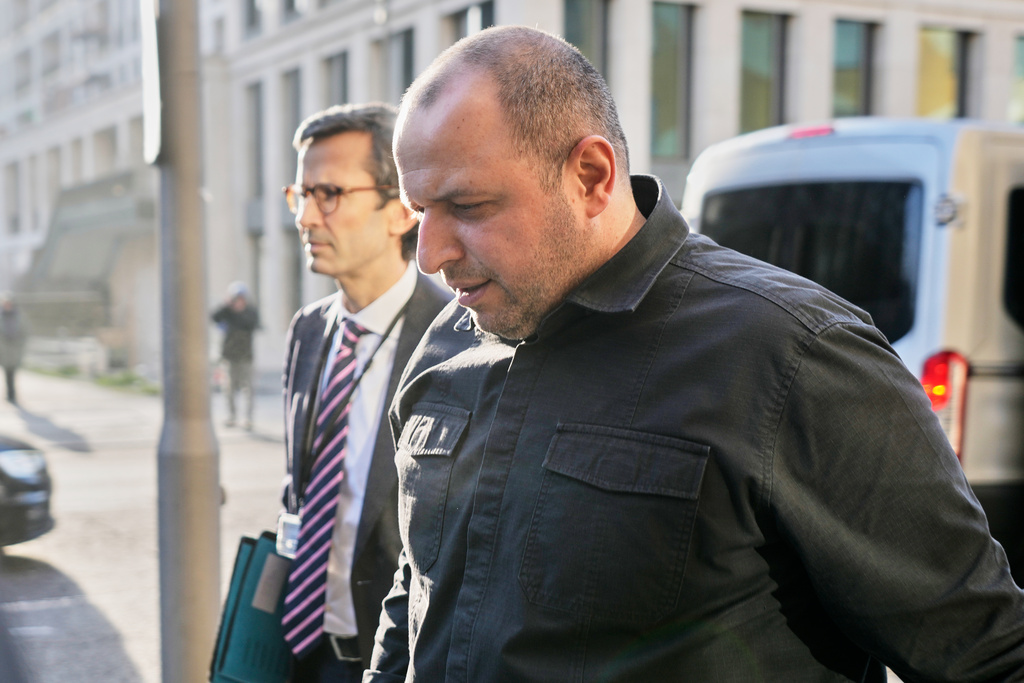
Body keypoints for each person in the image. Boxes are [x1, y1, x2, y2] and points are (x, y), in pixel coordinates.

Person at [366, 25, 1024, 682]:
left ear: (591, 175)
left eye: (467, 205)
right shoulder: (445, 343)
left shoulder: (793, 355)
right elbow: (420, 588)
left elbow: (987, 656)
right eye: (421, 209)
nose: (429, 253)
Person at [280, 102, 449, 683]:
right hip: (301, 645)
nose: (305, 217)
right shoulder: (307, 330)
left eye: (328, 193)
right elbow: (297, 493)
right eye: (300, 194)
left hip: (397, 660)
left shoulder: (458, 340)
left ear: (402, 209)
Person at [211, 282, 260, 429]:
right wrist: (226, 306)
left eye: (241, 298)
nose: (238, 302)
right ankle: (231, 416)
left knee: (248, 388)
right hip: (229, 356)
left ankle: (248, 418)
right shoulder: (227, 312)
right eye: (235, 299)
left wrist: (236, 312)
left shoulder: (250, 312)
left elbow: (251, 324)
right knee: (229, 388)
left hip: (246, 356)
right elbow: (214, 317)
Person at [0, 294, 27, 404]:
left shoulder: (19, 317)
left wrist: (19, 344)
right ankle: (9, 393)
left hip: (15, 350)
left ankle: (12, 393)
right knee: (7, 372)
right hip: (4, 350)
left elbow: (25, 332)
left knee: (13, 372)